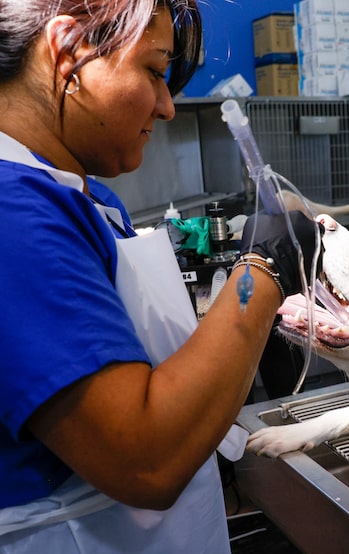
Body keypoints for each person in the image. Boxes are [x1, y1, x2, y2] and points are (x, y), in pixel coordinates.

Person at [0, 1, 320, 552]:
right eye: (153, 71)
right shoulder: (14, 215)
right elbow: (145, 459)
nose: (168, 106)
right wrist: (262, 271)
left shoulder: (84, 196)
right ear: (67, 49)